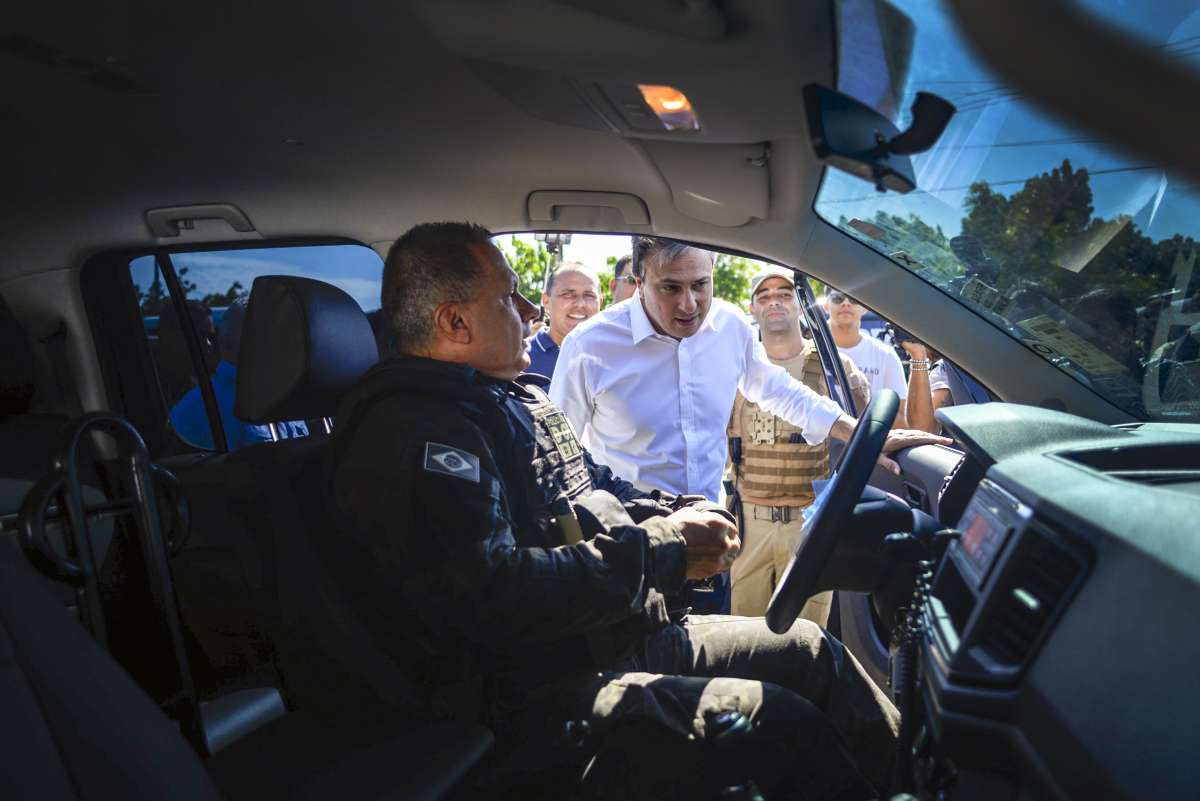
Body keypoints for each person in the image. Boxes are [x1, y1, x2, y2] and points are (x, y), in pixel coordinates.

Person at [330, 222, 904, 800]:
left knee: (812, 651)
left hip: (614, 625)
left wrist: (677, 510)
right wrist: (663, 548)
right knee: (781, 723)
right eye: (509, 296)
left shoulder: (513, 399)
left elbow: (594, 481)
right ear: (454, 322)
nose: (532, 309)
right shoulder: (420, 433)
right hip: (538, 684)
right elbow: (491, 592)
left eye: (700, 285)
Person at [550, 237, 946, 504]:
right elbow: (559, 458)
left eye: (701, 284)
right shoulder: (589, 347)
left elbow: (778, 390)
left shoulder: (730, 325)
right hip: (629, 545)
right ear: (639, 282)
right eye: (670, 288)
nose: (690, 304)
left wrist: (860, 434)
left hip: (712, 545)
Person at [727, 266, 870, 621]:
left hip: (808, 525)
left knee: (806, 641)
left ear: (800, 304)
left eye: (784, 294)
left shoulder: (835, 367)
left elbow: (863, 433)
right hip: (748, 526)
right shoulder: (735, 367)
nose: (774, 302)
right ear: (752, 308)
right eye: (764, 296)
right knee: (741, 639)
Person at [169, 298, 308, 450]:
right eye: (262, 331)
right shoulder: (200, 405)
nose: (278, 341)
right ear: (226, 343)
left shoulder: (288, 400)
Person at [826, 289, 909, 428]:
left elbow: (902, 417)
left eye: (853, 298)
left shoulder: (886, 355)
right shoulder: (809, 350)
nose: (846, 303)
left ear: (864, 306)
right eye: (838, 298)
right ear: (826, 305)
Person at [525, 261, 601, 379]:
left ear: (600, 302)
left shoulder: (613, 356)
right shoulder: (520, 358)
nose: (580, 304)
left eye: (589, 295)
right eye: (568, 294)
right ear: (546, 301)